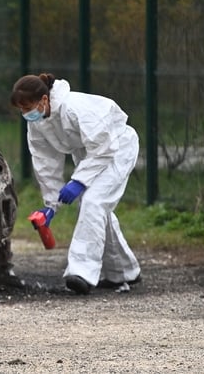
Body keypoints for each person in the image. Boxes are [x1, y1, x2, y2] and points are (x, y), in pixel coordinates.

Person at [11, 73, 141, 294]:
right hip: (90, 154)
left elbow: (104, 147)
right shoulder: (38, 125)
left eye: (28, 107)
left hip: (117, 147)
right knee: (94, 208)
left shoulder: (74, 107)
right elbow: (45, 164)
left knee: (93, 202)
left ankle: (81, 272)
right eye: (21, 110)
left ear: (44, 100)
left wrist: (79, 181)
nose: (25, 114)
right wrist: (51, 205)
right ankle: (124, 272)